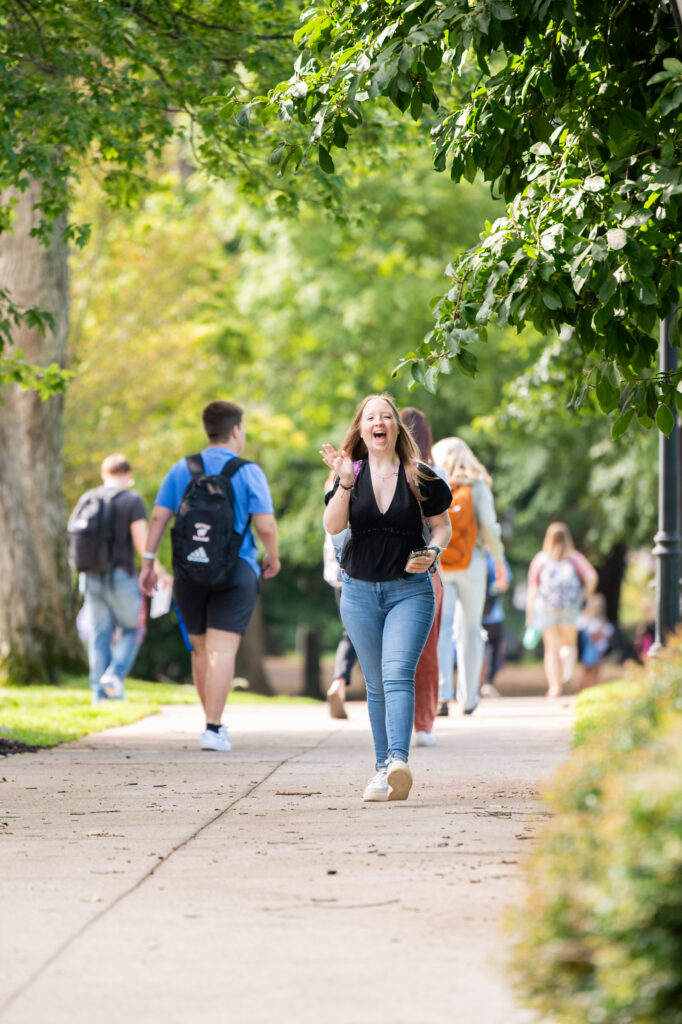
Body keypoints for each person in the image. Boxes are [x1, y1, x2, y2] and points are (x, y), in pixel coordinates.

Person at [321, 393, 452, 802]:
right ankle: (382, 771)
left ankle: (398, 761)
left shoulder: (420, 475)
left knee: (397, 675)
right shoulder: (349, 474)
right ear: (362, 429)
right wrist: (344, 483)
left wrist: (433, 552)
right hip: (358, 591)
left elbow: (442, 527)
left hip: (410, 591)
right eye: (370, 417)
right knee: (375, 684)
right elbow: (333, 526)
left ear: (396, 427)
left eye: (386, 416)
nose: (378, 423)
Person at [139, 401, 280, 751]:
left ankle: (210, 725)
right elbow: (266, 524)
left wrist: (148, 562)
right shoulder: (249, 472)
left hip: (189, 571)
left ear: (208, 430)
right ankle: (214, 728)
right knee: (222, 650)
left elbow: (158, 519)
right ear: (236, 430)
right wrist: (273, 557)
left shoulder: (181, 469)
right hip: (237, 568)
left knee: (200, 649)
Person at [76, 453, 168, 704]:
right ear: (128, 476)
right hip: (121, 575)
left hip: (90, 576)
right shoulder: (131, 500)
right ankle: (114, 675)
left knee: (100, 634)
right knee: (133, 629)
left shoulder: (89, 497)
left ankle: (100, 694)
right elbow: (141, 540)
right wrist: (157, 569)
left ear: (104, 475)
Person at [431, 437, 508, 717]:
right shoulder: (478, 485)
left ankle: (441, 695)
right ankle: (469, 696)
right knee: (471, 629)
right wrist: (498, 560)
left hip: (441, 562)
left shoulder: (435, 480)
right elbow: (490, 525)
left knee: (442, 627)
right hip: (472, 563)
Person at [400, 406, 447, 747]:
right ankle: (424, 724)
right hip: (429, 568)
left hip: (399, 567)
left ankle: (404, 721)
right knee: (428, 646)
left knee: (401, 651)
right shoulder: (436, 471)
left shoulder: (426, 473)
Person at [525, 521, 598, 697]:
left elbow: (533, 588)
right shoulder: (574, 557)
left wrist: (530, 613)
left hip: (547, 609)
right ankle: (568, 670)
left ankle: (554, 687)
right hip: (569, 608)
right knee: (569, 644)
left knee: (551, 649)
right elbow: (592, 577)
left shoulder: (541, 559)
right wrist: (584, 597)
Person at [323, 527, 357, 719]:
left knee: (349, 633)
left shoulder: (331, 496)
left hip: (339, 571)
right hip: (363, 569)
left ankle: (339, 682)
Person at [480, 549, 512, 698]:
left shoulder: (465, 550)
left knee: (472, 647)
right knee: (494, 648)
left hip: (471, 613)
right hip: (494, 614)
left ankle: (473, 684)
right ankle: (488, 682)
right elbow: (504, 585)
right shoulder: (496, 555)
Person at [577, 592, 614, 690]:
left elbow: (608, 634)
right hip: (591, 650)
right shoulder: (587, 620)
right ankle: (584, 689)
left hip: (598, 650)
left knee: (595, 671)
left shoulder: (601, 620)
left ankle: (590, 688)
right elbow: (593, 636)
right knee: (589, 671)